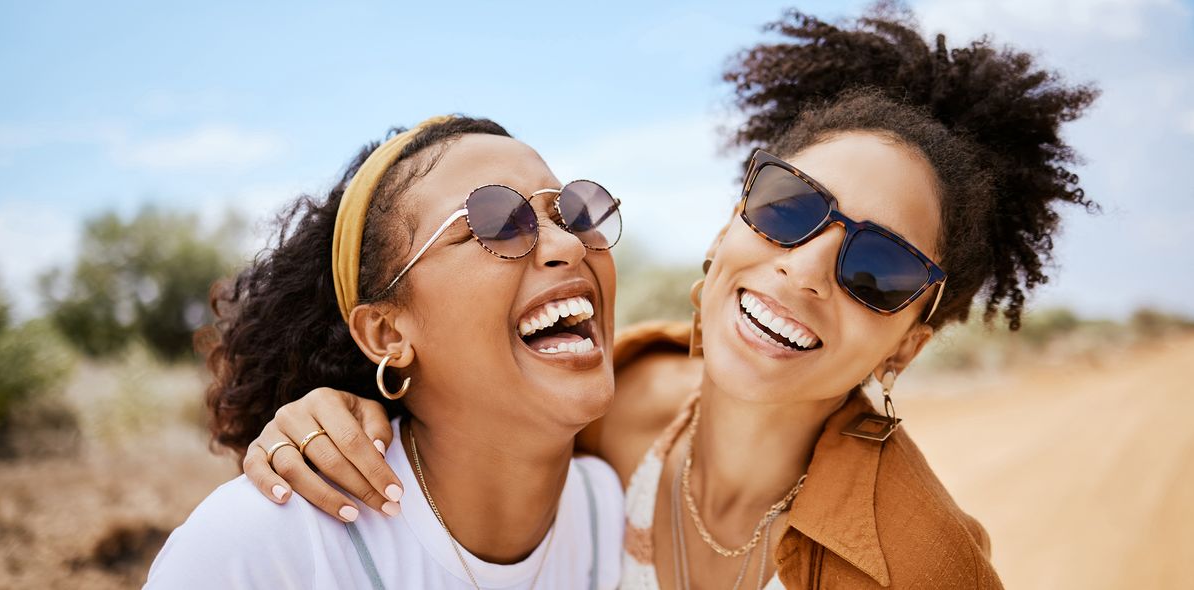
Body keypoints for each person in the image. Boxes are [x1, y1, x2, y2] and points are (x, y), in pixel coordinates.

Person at [237, 9, 1097, 589]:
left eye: (879, 270)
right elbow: (466, 396)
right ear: (729, 231)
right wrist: (327, 411)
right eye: (789, 210)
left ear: (907, 342)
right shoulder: (609, 407)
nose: (806, 270)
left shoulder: (916, 560)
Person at [146, 116, 626, 589]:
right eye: (497, 222)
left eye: (574, 214)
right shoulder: (263, 547)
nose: (569, 244)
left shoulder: (612, 506)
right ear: (385, 335)